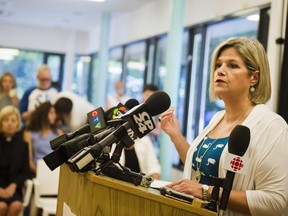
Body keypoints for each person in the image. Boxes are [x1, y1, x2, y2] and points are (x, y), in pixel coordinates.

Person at [160, 37, 288, 215]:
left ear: (254, 78)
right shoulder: (217, 118)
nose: (220, 71)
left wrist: (205, 192)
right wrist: (176, 136)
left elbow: (275, 201)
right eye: (218, 65)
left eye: (232, 65)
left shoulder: (271, 126)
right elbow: (200, 169)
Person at [0, 106, 30, 216]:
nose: (9, 123)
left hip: (14, 187)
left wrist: (14, 185)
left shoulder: (23, 145)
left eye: (13, 120)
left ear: (18, 123)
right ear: (1, 123)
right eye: (6, 120)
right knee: (1, 207)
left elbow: (26, 171)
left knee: (16, 206)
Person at [23, 102, 62, 175]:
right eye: (51, 113)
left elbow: (62, 156)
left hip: (55, 171)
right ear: (43, 114)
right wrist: (40, 173)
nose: (55, 116)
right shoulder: (29, 133)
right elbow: (29, 160)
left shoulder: (58, 132)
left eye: (55, 113)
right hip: (36, 170)